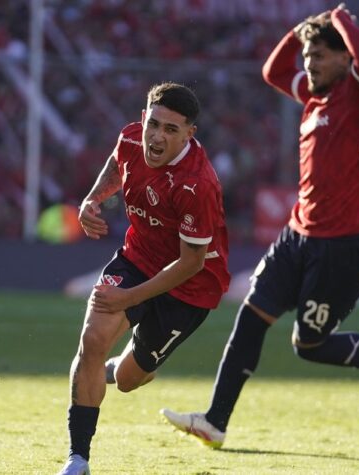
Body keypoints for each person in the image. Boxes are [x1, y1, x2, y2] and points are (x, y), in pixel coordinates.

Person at [161, 4, 359, 449]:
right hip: (297, 236)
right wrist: (299, 33)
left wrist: (339, 17)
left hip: (341, 248)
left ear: (344, 58)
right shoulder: (314, 96)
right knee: (251, 316)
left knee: (309, 345)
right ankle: (215, 421)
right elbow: (272, 71)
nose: (309, 64)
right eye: (308, 57)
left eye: (319, 56)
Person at [57, 82, 230, 475]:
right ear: (143, 119)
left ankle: (116, 367)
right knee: (92, 340)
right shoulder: (132, 138)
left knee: (128, 379)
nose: (157, 136)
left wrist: (130, 297)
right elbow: (117, 162)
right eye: (153, 124)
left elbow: (191, 263)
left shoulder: (197, 184)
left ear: (189, 134)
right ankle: (78, 459)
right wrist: (93, 198)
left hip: (191, 288)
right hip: (137, 258)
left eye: (171, 129)